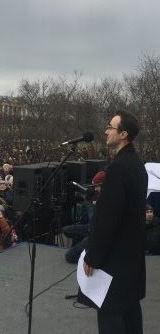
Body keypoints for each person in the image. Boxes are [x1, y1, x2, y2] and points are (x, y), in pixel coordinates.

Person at [84, 110, 148, 333]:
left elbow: (108, 218)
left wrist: (93, 255)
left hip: (115, 257)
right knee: (129, 311)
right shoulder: (136, 163)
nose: (106, 130)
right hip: (131, 254)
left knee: (111, 313)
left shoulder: (119, 167)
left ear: (123, 134)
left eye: (111, 127)